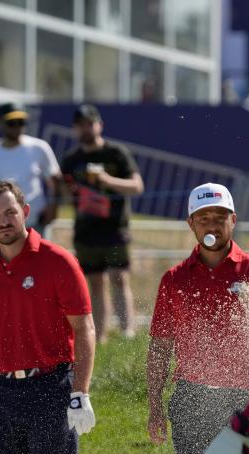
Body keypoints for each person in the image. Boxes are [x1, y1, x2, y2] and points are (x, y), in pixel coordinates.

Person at [0, 180, 96, 454]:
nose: (3, 220)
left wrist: (80, 393)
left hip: (51, 387)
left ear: (26, 211)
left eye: (10, 211)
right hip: (0, 394)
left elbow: (84, 327)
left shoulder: (58, 261)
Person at [147, 183, 249, 454]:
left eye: (220, 217)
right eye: (203, 218)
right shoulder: (174, 279)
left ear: (233, 219)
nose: (212, 225)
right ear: (191, 223)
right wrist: (154, 405)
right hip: (192, 398)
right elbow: (160, 346)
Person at [60, 104, 144, 343]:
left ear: (99, 124)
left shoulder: (116, 153)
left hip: (115, 228)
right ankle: (100, 336)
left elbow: (137, 186)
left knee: (119, 277)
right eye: (80, 125)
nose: (85, 129)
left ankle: (128, 330)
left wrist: (107, 180)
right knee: (95, 282)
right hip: (86, 230)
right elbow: (65, 192)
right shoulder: (71, 159)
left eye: (89, 123)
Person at [0, 102, 61, 238]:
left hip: (36, 224)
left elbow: (55, 180)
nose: (17, 127)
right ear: (0, 123)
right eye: (12, 122)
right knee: (7, 260)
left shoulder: (39, 147)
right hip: (4, 228)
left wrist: (53, 208)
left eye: (21, 122)